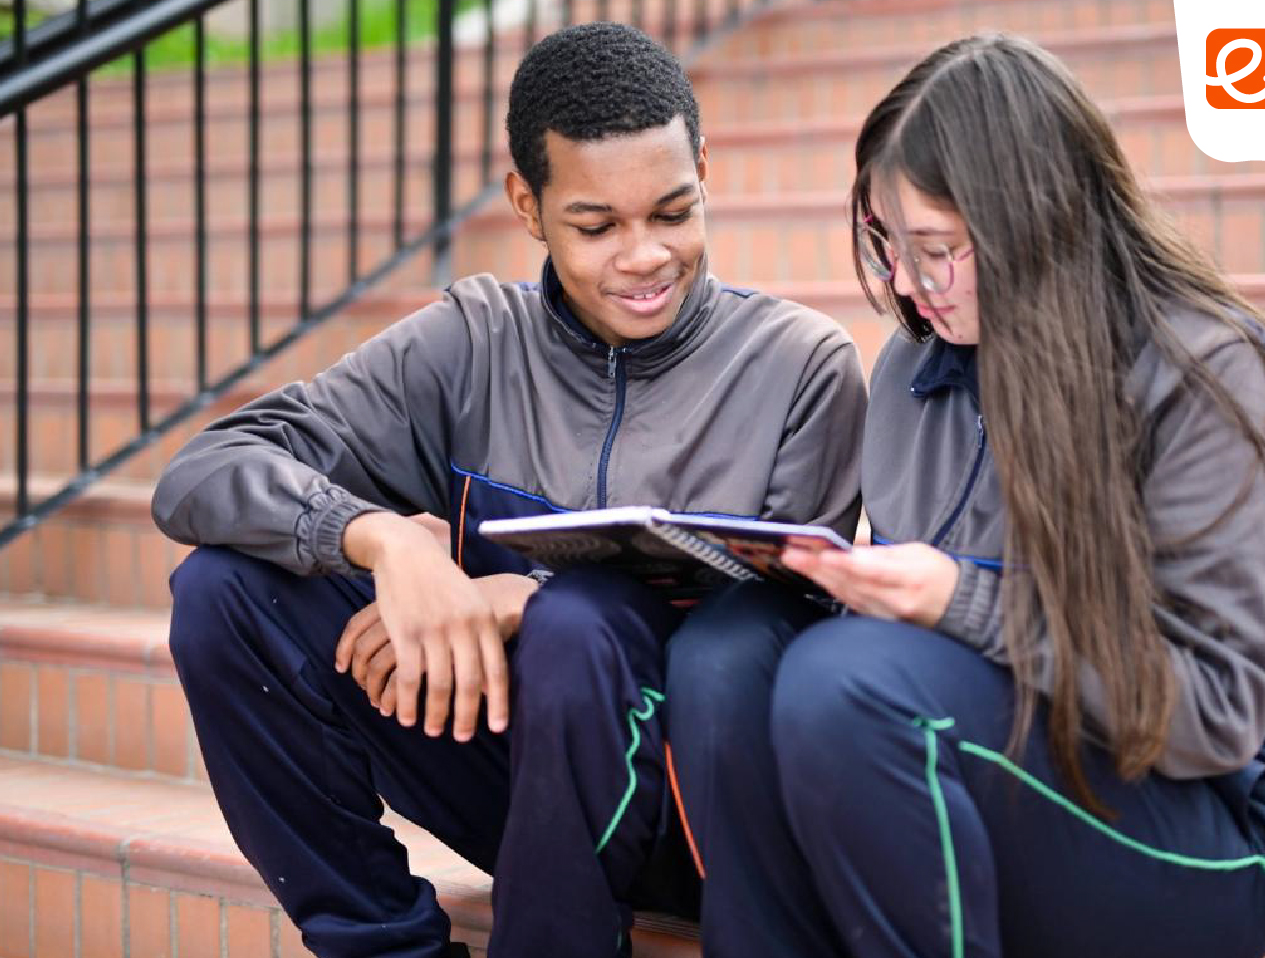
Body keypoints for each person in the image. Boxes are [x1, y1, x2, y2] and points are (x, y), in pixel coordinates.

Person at [151, 22, 866, 958]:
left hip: (703, 818)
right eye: (596, 225)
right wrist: (383, 540)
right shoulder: (469, 343)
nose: (644, 256)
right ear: (527, 204)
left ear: (704, 168)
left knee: (579, 622)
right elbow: (201, 471)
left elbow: (768, 641)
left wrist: (522, 597)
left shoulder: (801, 366)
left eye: (672, 211)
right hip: (518, 775)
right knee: (223, 596)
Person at [664, 33, 1265, 958]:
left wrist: (956, 598)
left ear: (1036, 218)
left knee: (845, 685)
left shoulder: (1212, 378)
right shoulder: (915, 367)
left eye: (935, 249)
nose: (904, 284)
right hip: (997, 771)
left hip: (1198, 829)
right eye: (887, 247)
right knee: (726, 654)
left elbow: (1214, 716)